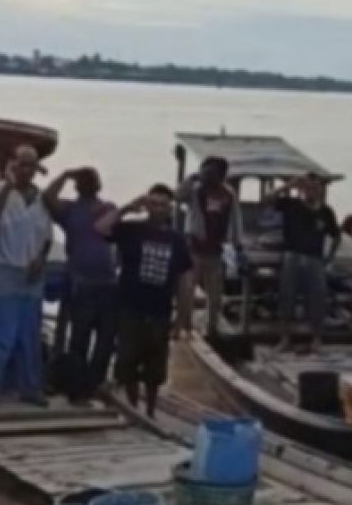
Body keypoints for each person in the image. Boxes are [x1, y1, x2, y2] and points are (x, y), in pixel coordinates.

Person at [96, 184, 194, 417]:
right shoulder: (132, 230)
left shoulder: (177, 241)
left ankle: (150, 410)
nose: (157, 209)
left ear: (171, 210)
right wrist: (128, 206)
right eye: (153, 203)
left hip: (160, 312)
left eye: (163, 205)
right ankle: (132, 408)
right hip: (131, 308)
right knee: (127, 363)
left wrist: (181, 318)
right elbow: (100, 228)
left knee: (155, 369)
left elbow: (185, 282)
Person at [0, 145, 53, 410]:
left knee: (29, 336)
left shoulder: (41, 199)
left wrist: (41, 260)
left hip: (33, 273)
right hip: (5, 270)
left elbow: (46, 238)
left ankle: (30, 387)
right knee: (0, 335)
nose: (27, 170)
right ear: (12, 164)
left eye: (31, 165)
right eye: (22, 164)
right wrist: (8, 187)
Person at [43, 166, 118, 406]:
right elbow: (47, 198)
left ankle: (94, 383)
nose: (90, 185)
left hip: (107, 282)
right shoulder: (70, 209)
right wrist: (64, 174)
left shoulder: (108, 208)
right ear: (77, 186)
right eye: (85, 181)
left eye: (93, 180)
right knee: (80, 339)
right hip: (81, 283)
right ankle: (77, 387)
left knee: (106, 341)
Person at [266, 173, 340, 351]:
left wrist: (329, 258)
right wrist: (288, 185)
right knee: (287, 296)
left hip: (314, 258)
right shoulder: (292, 205)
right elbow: (268, 199)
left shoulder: (326, 212)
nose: (310, 191)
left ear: (320, 189)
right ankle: (285, 338)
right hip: (292, 255)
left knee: (318, 298)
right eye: (306, 188)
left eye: (314, 188)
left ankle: (316, 339)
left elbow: (336, 236)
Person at [177, 157, 243, 336]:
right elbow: (178, 196)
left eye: (213, 173)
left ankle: (212, 326)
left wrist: (238, 244)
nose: (209, 176)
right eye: (206, 172)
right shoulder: (196, 191)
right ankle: (185, 325)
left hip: (216, 250)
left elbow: (236, 219)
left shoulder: (228, 194)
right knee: (187, 289)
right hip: (194, 248)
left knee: (215, 294)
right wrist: (192, 178)